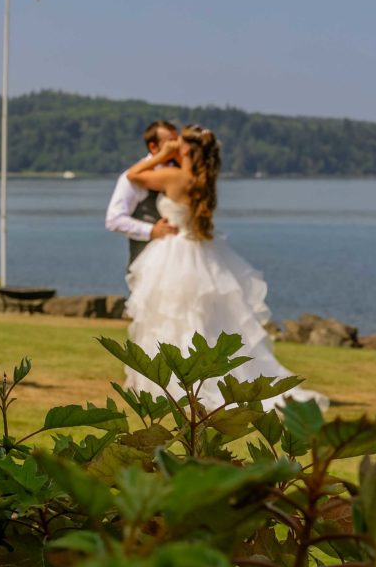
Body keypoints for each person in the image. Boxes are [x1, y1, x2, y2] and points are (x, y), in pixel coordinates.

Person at [124, 124, 329, 412]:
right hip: (203, 252)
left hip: (176, 253)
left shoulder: (174, 176)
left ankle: (176, 385)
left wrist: (161, 155)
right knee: (204, 321)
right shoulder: (205, 180)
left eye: (178, 144)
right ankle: (203, 380)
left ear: (185, 149)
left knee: (174, 319)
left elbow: (133, 175)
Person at [105, 120, 179, 266]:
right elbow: (114, 220)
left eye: (177, 141)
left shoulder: (183, 172)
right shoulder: (132, 177)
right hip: (147, 266)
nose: (176, 147)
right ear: (153, 146)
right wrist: (152, 231)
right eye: (171, 142)